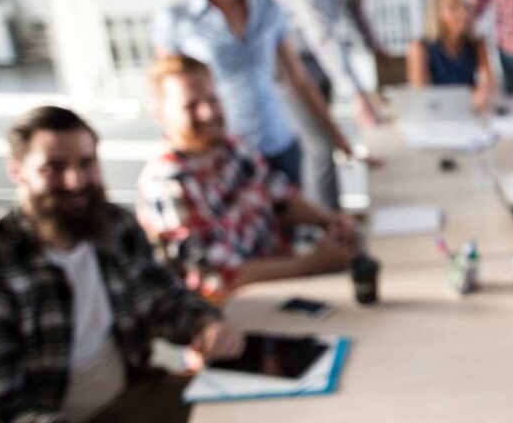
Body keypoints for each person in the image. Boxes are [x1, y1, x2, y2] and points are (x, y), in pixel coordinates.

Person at [0, 106, 243, 422]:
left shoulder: (116, 226)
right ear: (17, 172)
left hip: (134, 393)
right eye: (54, 169)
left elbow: (166, 300)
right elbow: (3, 409)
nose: (75, 182)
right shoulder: (1, 262)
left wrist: (206, 325)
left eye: (87, 164)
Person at [137, 54, 357, 301]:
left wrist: (328, 221)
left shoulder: (231, 146)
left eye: (212, 99)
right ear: (160, 114)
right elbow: (220, 279)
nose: (208, 113)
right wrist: (312, 264)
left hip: (283, 280)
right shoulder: (167, 183)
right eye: (191, 105)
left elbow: (282, 199)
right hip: (239, 308)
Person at [153, 0, 361, 195]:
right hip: (223, 156)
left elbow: (299, 79)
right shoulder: (175, 20)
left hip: (279, 146)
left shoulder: (268, 8)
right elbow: (168, 100)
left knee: (292, 229)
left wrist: (337, 137)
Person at [263, 0, 389, 211]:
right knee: (320, 146)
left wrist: (373, 44)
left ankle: (334, 221)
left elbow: (354, 1)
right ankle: (327, 230)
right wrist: (356, 93)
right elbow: (317, 28)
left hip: (320, 58)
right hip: (289, 59)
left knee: (328, 144)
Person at [406, 0, 497, 112]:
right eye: (453, 7)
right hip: (437, 116)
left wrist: (485, 91)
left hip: (469, 113)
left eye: (464, 6)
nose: (463, 12)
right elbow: (422, 95)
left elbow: (487, 82)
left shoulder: (476, 44)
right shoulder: (420, 48)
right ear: (437, 13)